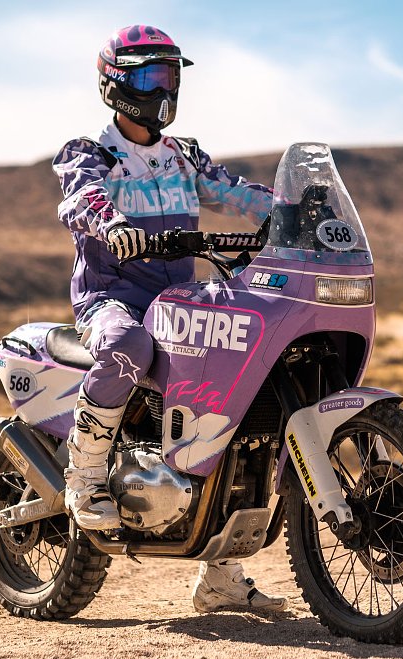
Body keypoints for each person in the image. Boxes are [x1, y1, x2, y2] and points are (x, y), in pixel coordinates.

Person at [51, 24, 286, 613]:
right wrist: (113, 226)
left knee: (230, 396)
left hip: (181, 303)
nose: (164, 90)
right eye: (152, 78)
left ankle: (220, 575)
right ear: (116, 85)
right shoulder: (90, 153)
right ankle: (83, 476)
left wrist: (293, 210)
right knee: (126, 344)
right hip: (116, 298)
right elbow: (81, 199)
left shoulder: (185, 155)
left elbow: (236, 193)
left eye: (171, 77)